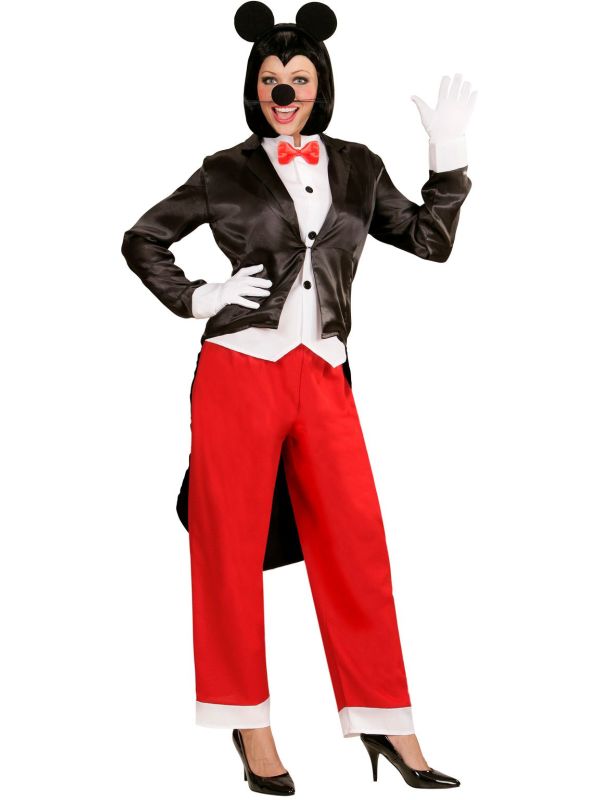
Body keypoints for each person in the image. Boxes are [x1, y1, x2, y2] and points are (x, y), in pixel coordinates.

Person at [121, 2, 476, 794]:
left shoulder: (357, 165)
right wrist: (200, 296)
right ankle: (249, 725)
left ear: (322, 86)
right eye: (272, 79)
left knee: (356, 543)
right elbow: (143, 237)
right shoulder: (223, 170)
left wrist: (448, 160)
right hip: (238, 371)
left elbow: (431, 242)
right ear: (255, 88)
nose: (285, 92)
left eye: (300, 79)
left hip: (323, 372)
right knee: (228, 547)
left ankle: (387, 721)